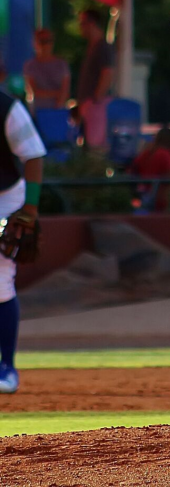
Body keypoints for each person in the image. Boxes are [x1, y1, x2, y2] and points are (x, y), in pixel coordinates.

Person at [0, 89, 46, 393]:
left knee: (1, 279)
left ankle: (7, 368)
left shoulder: (5, 106)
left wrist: (29, 207)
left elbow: (33, 153)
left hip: (5, 196)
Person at [76, 8, 115, 149]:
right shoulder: (92, 46)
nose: (80, 27)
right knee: (88, 143)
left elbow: (107, 73)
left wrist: (96, 99)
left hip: (96, 105)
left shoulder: (102, 46)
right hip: (89, 104)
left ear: (91, 23)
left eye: (82, 23)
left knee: (95, 146)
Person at [129, 126, 170, 212]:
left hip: (145, 195)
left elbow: (133, 168)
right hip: (160, 199)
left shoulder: (148, 152)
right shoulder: (165, 155)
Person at [23, 28, 71, 113]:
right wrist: (57, 93)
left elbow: (65, 90)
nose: (46, 45)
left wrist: (58, 107)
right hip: (37, 113)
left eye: (49, 41)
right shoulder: (30, 66)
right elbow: (34, 91)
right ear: (35, 43)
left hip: (59, 112)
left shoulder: (62, 64)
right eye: (42, 41)